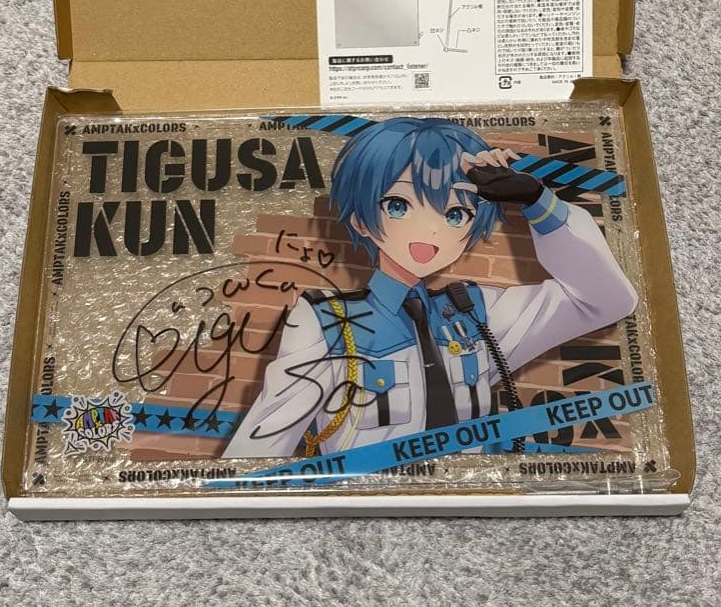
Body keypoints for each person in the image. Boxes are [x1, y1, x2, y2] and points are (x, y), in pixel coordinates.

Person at [224, 117, 637, 458]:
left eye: (455, 213)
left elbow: (607, 300)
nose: (430, 230)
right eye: (399, 205)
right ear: (362, 220)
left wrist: (538, 203)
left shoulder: (476, 312)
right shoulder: (327, 321)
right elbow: (263, 443)